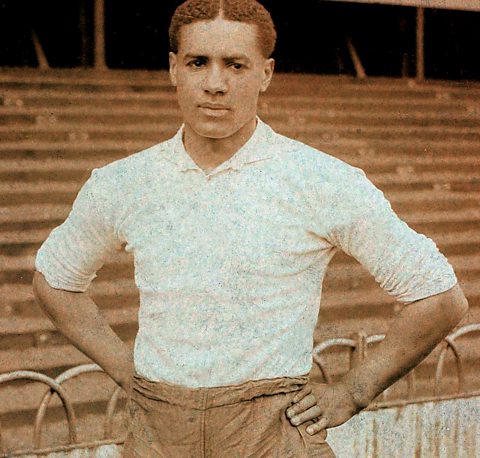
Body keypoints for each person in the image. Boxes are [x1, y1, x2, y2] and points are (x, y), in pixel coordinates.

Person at [32, 0, 468, 456]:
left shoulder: (319, 179)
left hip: (271, 433)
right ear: (173, 69)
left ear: (266, 73)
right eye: (198, 62)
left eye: (235, 65)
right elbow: (55, 281)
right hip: (158, 435)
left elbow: (439, 297)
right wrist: (127, 369)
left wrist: (351, 393)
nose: (215, 84)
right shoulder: (123, 182)